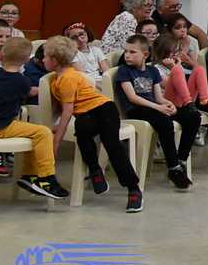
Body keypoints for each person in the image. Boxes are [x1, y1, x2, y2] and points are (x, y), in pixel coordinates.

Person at [43, 35, 143, 212]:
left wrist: (55, 143)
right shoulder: (57, 79)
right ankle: (95, 170)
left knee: (112, 144)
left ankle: (133, 188)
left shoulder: (67, 78)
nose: (42, 60)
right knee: (82, 129)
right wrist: (55, 126)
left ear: (54, 60)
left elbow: (67, 112)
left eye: (45, 56)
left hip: (104, 109)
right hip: (86, 113)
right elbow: (64, 107)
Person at [112, 35, 195, 190]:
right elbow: (133, 97)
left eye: (132, 52)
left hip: (153, 107)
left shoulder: (152, 71)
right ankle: (173, 167)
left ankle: (181, 159)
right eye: (126, 52)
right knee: (164, 121)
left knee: (192, 116)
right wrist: (158, 108)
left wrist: (168, 104)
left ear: (145, 55)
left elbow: (158, 97)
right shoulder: (124, 71)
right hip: (136, 110)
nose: (127, 55)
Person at [0, 37, 71, 199]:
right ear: (26, 60)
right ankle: (47, 178)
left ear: (0, 56)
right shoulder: (22, 81)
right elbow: (28, 93)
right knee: (42, 132)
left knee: (30, 131)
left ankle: (29, 175)